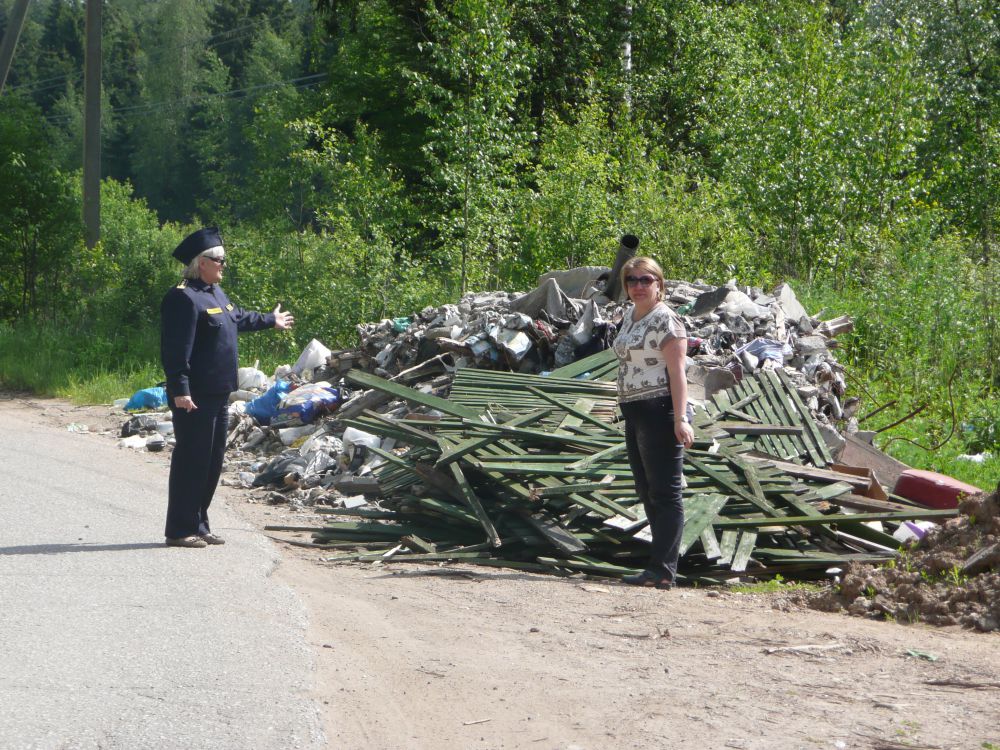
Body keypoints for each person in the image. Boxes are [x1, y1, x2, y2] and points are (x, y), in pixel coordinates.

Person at [160, 227, 294, 548]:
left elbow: (239, 318)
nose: (224, 265)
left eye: (223, 260)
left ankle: (199, 523)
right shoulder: (183, 297)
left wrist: (269, 320)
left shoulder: (214, 293)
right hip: (194, 396)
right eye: (219, 260)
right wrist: (180, 389)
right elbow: (175, 350)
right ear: (201, 262)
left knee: (212, 461)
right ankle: (179, 529)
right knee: (191, 460)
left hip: (219, 394)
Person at [612, 256, 694, 589]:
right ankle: (656, 567)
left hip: (659, 409)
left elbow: (678, 373)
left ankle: (663, 569)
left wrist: (680, 418)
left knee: (665, 492)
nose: (638, 286)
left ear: (659, 283)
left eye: (645, 280)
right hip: (634, 410)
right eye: (631, 280)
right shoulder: (630, 317)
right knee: (647, 489)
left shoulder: (667, 321)